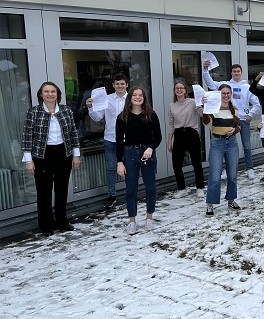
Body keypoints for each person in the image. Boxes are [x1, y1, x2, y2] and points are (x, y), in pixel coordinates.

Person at [22, 81, 81, 236]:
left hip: (63, 153)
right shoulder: (34, 112)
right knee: (44, 191)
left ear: (57, 94)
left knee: (62, 189)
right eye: (46, 91)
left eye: (53, 91)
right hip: (42, 155)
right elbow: (27, 137)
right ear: (41, 95)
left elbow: (73, 133)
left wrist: (76, 155)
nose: (50, 94)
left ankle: (62, 222)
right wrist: (28, 160)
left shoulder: (66, 110)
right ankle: (46, 225)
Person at [115, 87, 162, 235]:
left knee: (150, 187)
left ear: (144, 98)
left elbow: (158, 137)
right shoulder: (122, 117)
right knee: (131, 189)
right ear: (130, 98)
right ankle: (132, 221)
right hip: (129, 154)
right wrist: (119, 162)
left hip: (147, 153)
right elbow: (118, 142)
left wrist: (151, 148)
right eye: (134, 95)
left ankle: (149, 217)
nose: (137, 97)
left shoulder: (151, 115)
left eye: (140, 95)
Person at [202, 61, 261, 180]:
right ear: (231, 73)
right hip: (226, 118)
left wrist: (251, 114)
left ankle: (249, 168)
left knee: (247, 145)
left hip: (243, 119)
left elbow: (256, 103)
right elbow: (211, 83)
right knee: (224, 145)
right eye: (234, 71)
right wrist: (205, 70)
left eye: (238, 71)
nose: (236, 73)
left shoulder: (247, 87)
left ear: (241, 73)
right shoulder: (225, 85)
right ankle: (224, 170)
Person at [86, 73, 128, 208]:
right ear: (113, 85)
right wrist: (90, 107)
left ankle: (130, 193)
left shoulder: (133, 99)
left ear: (126, 84)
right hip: (111, 139)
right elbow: (97, 118)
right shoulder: (107, 99)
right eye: (117, 83)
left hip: (128, 140)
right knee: (111, 168)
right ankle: (112, 195)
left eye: (122, 83)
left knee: (130, 168)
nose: (120, 86)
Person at [202, 84, 242, 216]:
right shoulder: (213, 108)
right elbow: (206, 122)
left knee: (232, 175)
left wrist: (234, 131)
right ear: (219, 94)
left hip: (231, 144)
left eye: (228, 93)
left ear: (231, 94)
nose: (226, 95)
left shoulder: (234, 110)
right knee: (214, 175)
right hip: (217, 143)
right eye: (223, 93)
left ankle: (231, 200)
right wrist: (205, 108)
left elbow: (239, 126)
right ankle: (210, 203)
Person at [167, 80, 205, 199]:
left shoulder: (193, 102)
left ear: (185, 90)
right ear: (174, 91)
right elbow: (171, 125)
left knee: (196, 162)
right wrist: (169, 141)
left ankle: (200, 188)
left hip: (191, 133)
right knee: (176, 164)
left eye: (181, 88)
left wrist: (204, 105)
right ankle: (181, 188)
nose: (179, 90)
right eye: (177, 88)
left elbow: (202, 114)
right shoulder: (171, 106)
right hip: (179, 134)